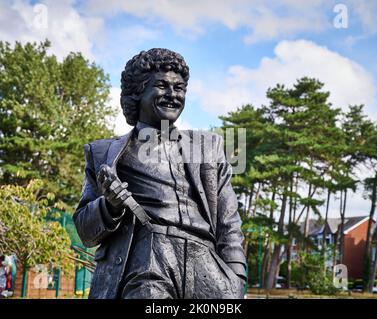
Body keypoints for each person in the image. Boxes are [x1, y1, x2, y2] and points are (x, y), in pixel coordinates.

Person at [74, 48, 247, 299]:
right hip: (148, 262)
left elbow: (228, 221)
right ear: (138, 92)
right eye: (162, 86)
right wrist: (109, 206)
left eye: (179, 88)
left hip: (208, 268)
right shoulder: (104, 154)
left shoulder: (209, 147)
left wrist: (236, 276)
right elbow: (85, 231)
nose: (173, 95)